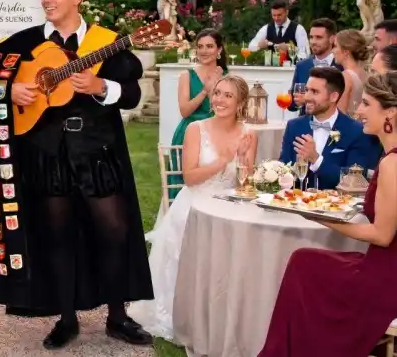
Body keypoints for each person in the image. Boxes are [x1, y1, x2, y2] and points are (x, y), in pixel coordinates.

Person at [0, 0, 154, 349]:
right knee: (57, 235)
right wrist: (10, 91)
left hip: (98, 152)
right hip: (46, 154)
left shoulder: (106, 42)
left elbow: (133, 94)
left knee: (114, 231)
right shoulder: (24, 42)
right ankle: (66, 318)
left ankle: (117, 315)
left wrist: (103, 86)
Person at [259, 72, 397, 357]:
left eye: (366, 104)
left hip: (386, 280)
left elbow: (382, 236)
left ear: (390, 114)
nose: (358, 111)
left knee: (303, 263)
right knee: (307, 261)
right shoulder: (389, 157)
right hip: (382, 266)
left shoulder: (393, 163)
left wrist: (316, 215)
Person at [129, 75, 256, 342]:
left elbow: (246, 183)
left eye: (228, 95)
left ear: (241, 102)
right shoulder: (196, 129)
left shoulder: (248, 133)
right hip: (195, 205)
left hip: (230, 207)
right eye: (217, 93)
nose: (219, 99)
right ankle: (183, 316)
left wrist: (243, 160)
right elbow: (190, 177)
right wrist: (224, 159)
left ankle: (222, 317)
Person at [279, 67, 380, 190]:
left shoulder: (356, 131)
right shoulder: (294, 126)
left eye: (315, 92)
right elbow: (283, 169)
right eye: (307, 90)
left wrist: (316, 159)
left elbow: (355, 182)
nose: (307, 97)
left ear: (333, 97)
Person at [168, 29, 226, 200]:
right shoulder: (187, 75)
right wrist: (205, 91)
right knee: (184, 185)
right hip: (189, 133)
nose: (204, 51)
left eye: (209, 46)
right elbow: (184, 110)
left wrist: (215, 90)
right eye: (200, 46)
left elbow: (227, 113)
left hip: (218, 135)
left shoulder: (228, 78)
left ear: (219, 50)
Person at [288, 18, 340, 115]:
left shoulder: (341, 66)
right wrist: (294, 101)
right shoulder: (302, 66)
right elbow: (292, 106)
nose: (313, 42)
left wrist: (307, 100)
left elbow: (342, 104)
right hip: (305, 126)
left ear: (332, 39)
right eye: (311, 37)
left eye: (319, 37)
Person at [333, 29, 369, 115]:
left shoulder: (345, 77)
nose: (332, 51)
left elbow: (340, 114)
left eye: (335, 46)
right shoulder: (365, 73)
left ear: (345, 52)